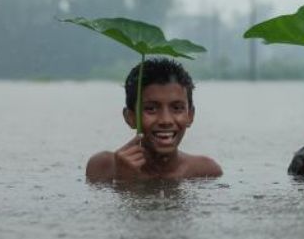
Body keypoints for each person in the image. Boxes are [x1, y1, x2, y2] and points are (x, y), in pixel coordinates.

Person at [86, 58, 222, 182]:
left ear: (190, 116)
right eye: (151, 109)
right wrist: (124, 181)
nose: (165, 120)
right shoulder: (103, 167)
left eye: (177, 108)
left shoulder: (205, 172)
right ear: (130, 117)